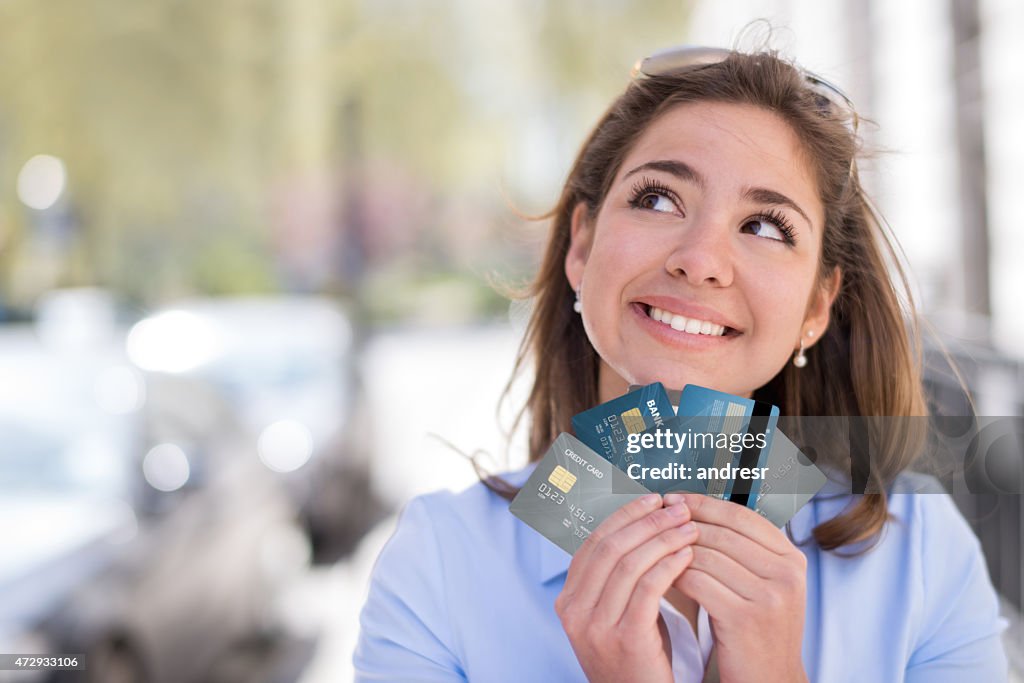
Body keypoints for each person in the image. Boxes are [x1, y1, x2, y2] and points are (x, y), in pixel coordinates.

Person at [353, 45, 1008, 682]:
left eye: (765, 226)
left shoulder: (922, 555)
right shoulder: (438, 562)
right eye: (659, 198)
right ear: (581, 245)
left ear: (817, 305)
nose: (700, 258)